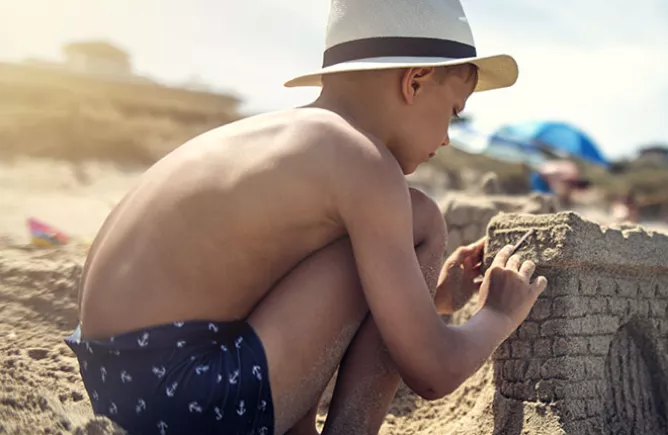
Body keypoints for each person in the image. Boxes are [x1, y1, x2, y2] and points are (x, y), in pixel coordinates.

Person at [64, 1, 547, 434]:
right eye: (454, 112)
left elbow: (256, 281)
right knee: (420, 218)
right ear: (415, 81)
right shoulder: (363, 162)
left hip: (119, 383)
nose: (446, 138)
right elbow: (433, 372)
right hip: (185, 398)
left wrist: (434, 300)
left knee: (369, 234)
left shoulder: (287, 140)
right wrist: (497, 315)